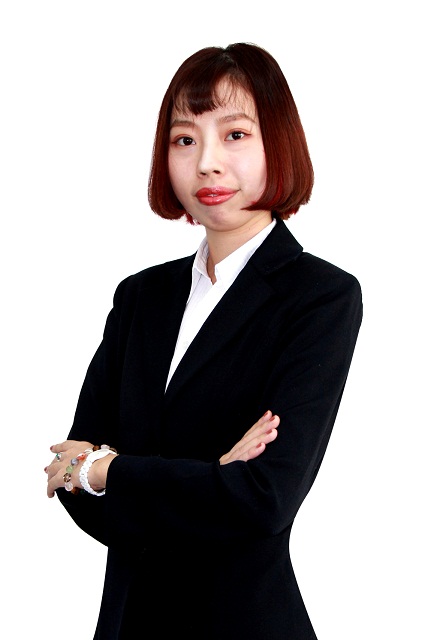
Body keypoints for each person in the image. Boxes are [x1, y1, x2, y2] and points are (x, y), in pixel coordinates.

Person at [45, 42, 362, 639]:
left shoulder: (320, 297)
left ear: (278, 143)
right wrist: (211, 475)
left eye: (235, 135)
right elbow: (69, 476)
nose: (207, 163)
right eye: (184, 139)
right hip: (129, 624)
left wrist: (110, 472)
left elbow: (264, 499)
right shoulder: (140, 297)